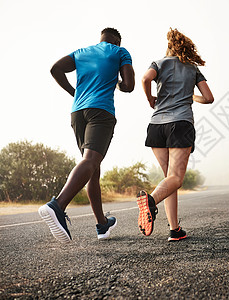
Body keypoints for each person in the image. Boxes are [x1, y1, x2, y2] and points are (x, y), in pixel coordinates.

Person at [38, 28, 135, 243]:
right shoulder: (120, 52)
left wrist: (75, 93)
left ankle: (102, 224)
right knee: (91, 161)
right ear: (117, 41)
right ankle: (58, 205)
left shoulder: (81, 52)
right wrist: (117, 83)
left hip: (77, 113)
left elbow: (55, 69)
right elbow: (129, 86)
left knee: (92, 167)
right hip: (101, 111)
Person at [139, 28, 214, 242]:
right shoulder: (192, 69)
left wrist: (150, 99)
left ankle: (175, 229)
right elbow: (209, 98)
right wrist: (191, 96)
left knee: (169, 179)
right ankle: (150, 201)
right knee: (175, 179)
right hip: (180, 124)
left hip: (156, 125)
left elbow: (145, 79)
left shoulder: (159, 63)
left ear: (168, 47)